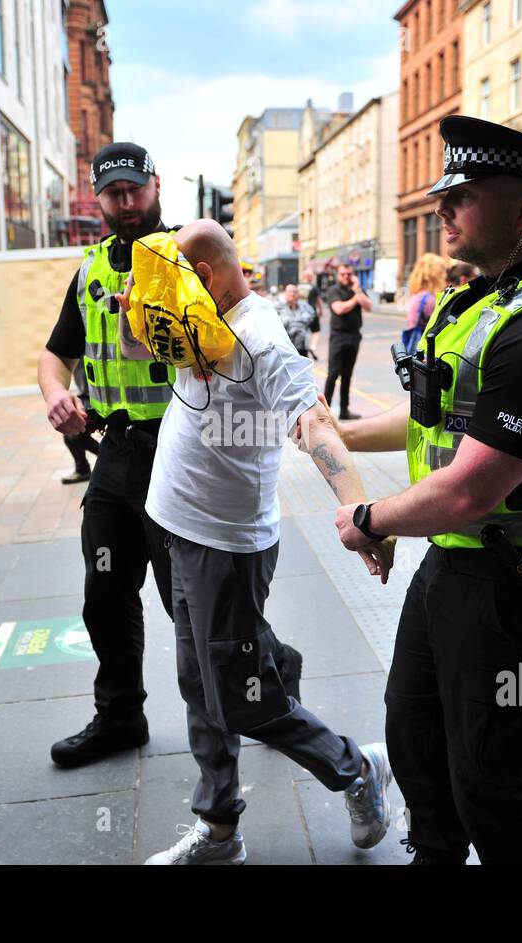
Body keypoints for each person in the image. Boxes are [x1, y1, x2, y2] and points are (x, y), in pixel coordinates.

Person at [330, 116, 522, 865]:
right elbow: (433, 421)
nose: (442, 208)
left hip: (521, 587)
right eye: (443, 193)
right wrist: (344, 432)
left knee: (494, 771)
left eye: (465, 194)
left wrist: (370, 516)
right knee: (415, 736)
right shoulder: (477, 302)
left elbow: (468, 491)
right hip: (452, 568)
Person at [37, 143, 305, 768]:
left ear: (156, 187)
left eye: (134, 189)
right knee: (104, 594)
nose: (124, 202)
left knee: (192, 605)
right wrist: (56, 394)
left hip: (182, 453)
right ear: (96, 198)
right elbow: (56, 355)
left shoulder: (184, 259)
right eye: (112, 193)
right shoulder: (90, 270)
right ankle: (120, 715)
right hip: (117, 452)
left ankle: (272, 671)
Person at [137, 220, 394, 865]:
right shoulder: (198, 320)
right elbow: (143, 350)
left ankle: (356, 768)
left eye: (182, 276)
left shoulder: (260, 340)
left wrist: (362, 514)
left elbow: (317, 427)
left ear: (211, 272)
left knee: (241, 699)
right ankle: (219, 829)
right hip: (177, 529)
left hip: (225, 548)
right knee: (197, 683)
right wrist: (140, 306)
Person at [322, 262, 371, 420]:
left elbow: (369, 306)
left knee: (347, 375)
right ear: (338, 274)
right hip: (338, 336)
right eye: (343, 274)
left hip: (354, 336)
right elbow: (339, 309)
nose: (346, 277)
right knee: (333, 373)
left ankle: (344, 409)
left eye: (348, 274)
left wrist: (357, 291)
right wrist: (356, 298)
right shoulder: (333, 290)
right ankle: (325, 410)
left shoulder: (356, 290)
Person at [61, 361, 100, 484]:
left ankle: (109, 456)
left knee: (75, 435)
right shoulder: (72, 352)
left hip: (100, 398)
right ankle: (82, 470)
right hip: (86, 396)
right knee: (69, 435)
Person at [404, 253, 446, 354]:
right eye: (442, 270)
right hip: (425, 350)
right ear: (435, 274)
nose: (445, 274)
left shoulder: (417, 296)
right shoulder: (429, 299)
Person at [274, 282, 317, 358]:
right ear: (285, 293)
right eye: (289, 292)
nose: (292, 294)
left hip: (302, 348)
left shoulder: (305, 307)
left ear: (298, 294)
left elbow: (314, 323)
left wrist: (313, 345)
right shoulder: (277, 307)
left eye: (294, 292)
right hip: (284, 349)